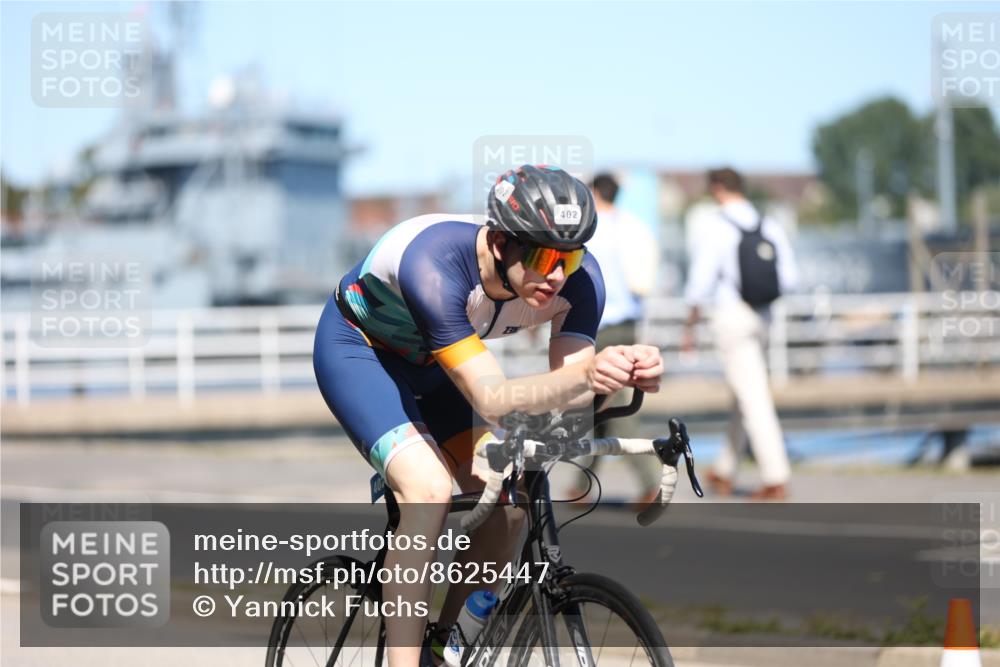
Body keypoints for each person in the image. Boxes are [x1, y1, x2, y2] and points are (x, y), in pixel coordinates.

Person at [313, 164, 664, 667]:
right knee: (428, 491)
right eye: (544, 257)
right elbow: (494, 399)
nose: (559, 274)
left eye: (573, 255)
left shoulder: (579, 282)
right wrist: (589, 376)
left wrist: (624, 373)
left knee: (511, 498)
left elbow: (569, 396)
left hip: (439, 370)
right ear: (500, 243)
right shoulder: (433, 262)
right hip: (362, 355)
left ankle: (446, 648)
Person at [681, 167, 798, 500]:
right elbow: (789, 277)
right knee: (745, 391)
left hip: (731, 315)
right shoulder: (768, 224)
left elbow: (700, 283)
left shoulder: (716, 226)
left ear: (717, 189)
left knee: (753, 397)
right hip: (762, 315)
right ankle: (724, 469)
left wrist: (690, 325)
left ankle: (775, 476)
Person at [569, 172, 661, 503]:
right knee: (601, 405)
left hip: (598, 326)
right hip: (629, 324)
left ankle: (653, 481)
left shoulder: (590, 230)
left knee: (616, 406)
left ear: (594, 192)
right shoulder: (631, 226)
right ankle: (581, 482)